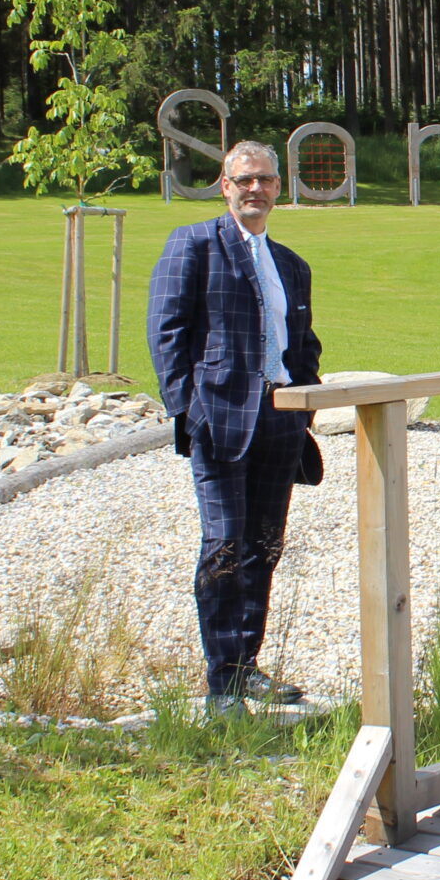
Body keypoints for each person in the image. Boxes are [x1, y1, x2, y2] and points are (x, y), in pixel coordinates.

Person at [146, 140, 323, 714]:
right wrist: (187, 410)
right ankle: (222, 680)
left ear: (279, 188)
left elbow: (305, 347)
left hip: (280, 423)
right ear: (225, 186)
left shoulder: (292, 266)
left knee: (263, 548)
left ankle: (247, 666)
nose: (256, 189)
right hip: (220, 422)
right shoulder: (194, 244)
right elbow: (166, 332)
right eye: (244, 180)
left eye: (266, 180)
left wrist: (305, 408)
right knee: (224, 545)